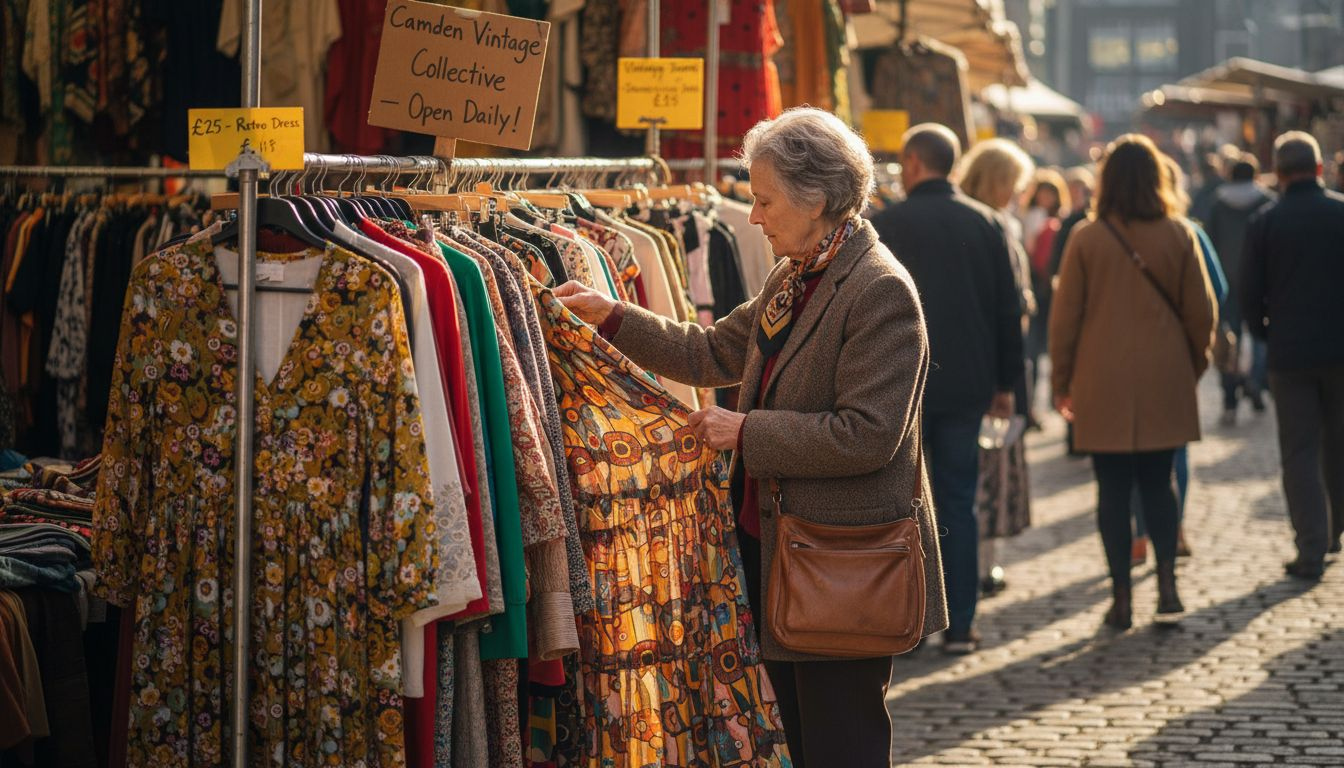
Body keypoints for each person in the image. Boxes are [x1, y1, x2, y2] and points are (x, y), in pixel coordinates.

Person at [554, 106, 949, 767]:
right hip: (784, 552)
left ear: (816, 198)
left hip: (841, 564)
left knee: (842, 743)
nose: (755, 216)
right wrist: (613, 316)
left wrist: (745, 430)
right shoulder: (795, 274)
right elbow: (710, 351)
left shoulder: (879, 289)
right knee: (799, 737)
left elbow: (868, 435)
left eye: (765, 200)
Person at [1049, 133, 1216, 629]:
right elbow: (1203, 313)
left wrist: (1062, 381)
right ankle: (1166, 585)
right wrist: (1191, 365)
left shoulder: (1087, 238)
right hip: (1164, 375)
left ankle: (1121, 597)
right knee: (1160, 484)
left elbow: (1064, 320)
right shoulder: (1179, 233)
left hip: (1101, 380)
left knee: (1113, 490)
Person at [871, 123, 1023, 654]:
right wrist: (1007, 383)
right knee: (959, 502)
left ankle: (909, 624)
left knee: (902, 504)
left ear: (913, 163)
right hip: (968, 384)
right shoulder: (986, 222)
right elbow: (1008, 310)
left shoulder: (885, 224)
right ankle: (960, 624)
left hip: (897, 387)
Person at [1242, 131, 1344, 581]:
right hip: (1340, 349)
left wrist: (1264, 333)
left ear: (1278, 174)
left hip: (1290, 353)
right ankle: (1335, 530)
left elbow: (1249, 292)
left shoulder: (1266, 222)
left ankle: (1312, 546)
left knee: (1300, 451)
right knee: (1338, 443)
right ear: (1319, 169)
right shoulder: (1341, 213)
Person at [1130, 156, 1230, 567]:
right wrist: (1195, 353)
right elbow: (1216, 291)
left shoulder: (1108, 231)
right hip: (1173, 361)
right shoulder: (1188, 232)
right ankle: (1176, 529)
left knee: (1129, 449)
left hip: (1123, 360)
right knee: (1174, 452)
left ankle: (1139, 535)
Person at [954, 138, 1037, 597]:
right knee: (987, 469)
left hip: (968, 365)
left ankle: (973, 566)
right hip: (991, 368)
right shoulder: (995, 226)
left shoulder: (973, 219)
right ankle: (982, 566)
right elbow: (1009, 307)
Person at [1207, 154, 1275, 425]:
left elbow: (1211, 246)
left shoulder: (1217, 205)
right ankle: (1255, 381)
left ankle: (1229, 397)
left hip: (1226, 284)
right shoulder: (1268, 203)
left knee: (1228, 340)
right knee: (1260, 336)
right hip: (1261, 282)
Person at [1020, 169, 1071, 429]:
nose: (1046, 197)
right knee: (1037, 349)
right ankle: (1036, 405)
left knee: (1043, 349)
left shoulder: (1061, 219)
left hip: (1046, 289)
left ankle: (1047, 400)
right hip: (1041, 288)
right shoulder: (1035, 217)